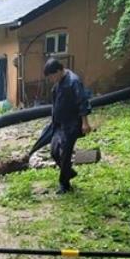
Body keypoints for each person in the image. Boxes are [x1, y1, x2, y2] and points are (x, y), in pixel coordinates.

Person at [44, 58, 92, 194]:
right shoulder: (58, 83)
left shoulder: (73, 81)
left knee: (65, 153)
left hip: (72, 124)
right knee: (54, 151)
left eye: (52, 76)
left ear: (59, 70)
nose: (51, 79)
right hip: (59, 124)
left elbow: (82, 101)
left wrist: (85, 123)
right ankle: (69, 172)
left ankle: (64, 185)